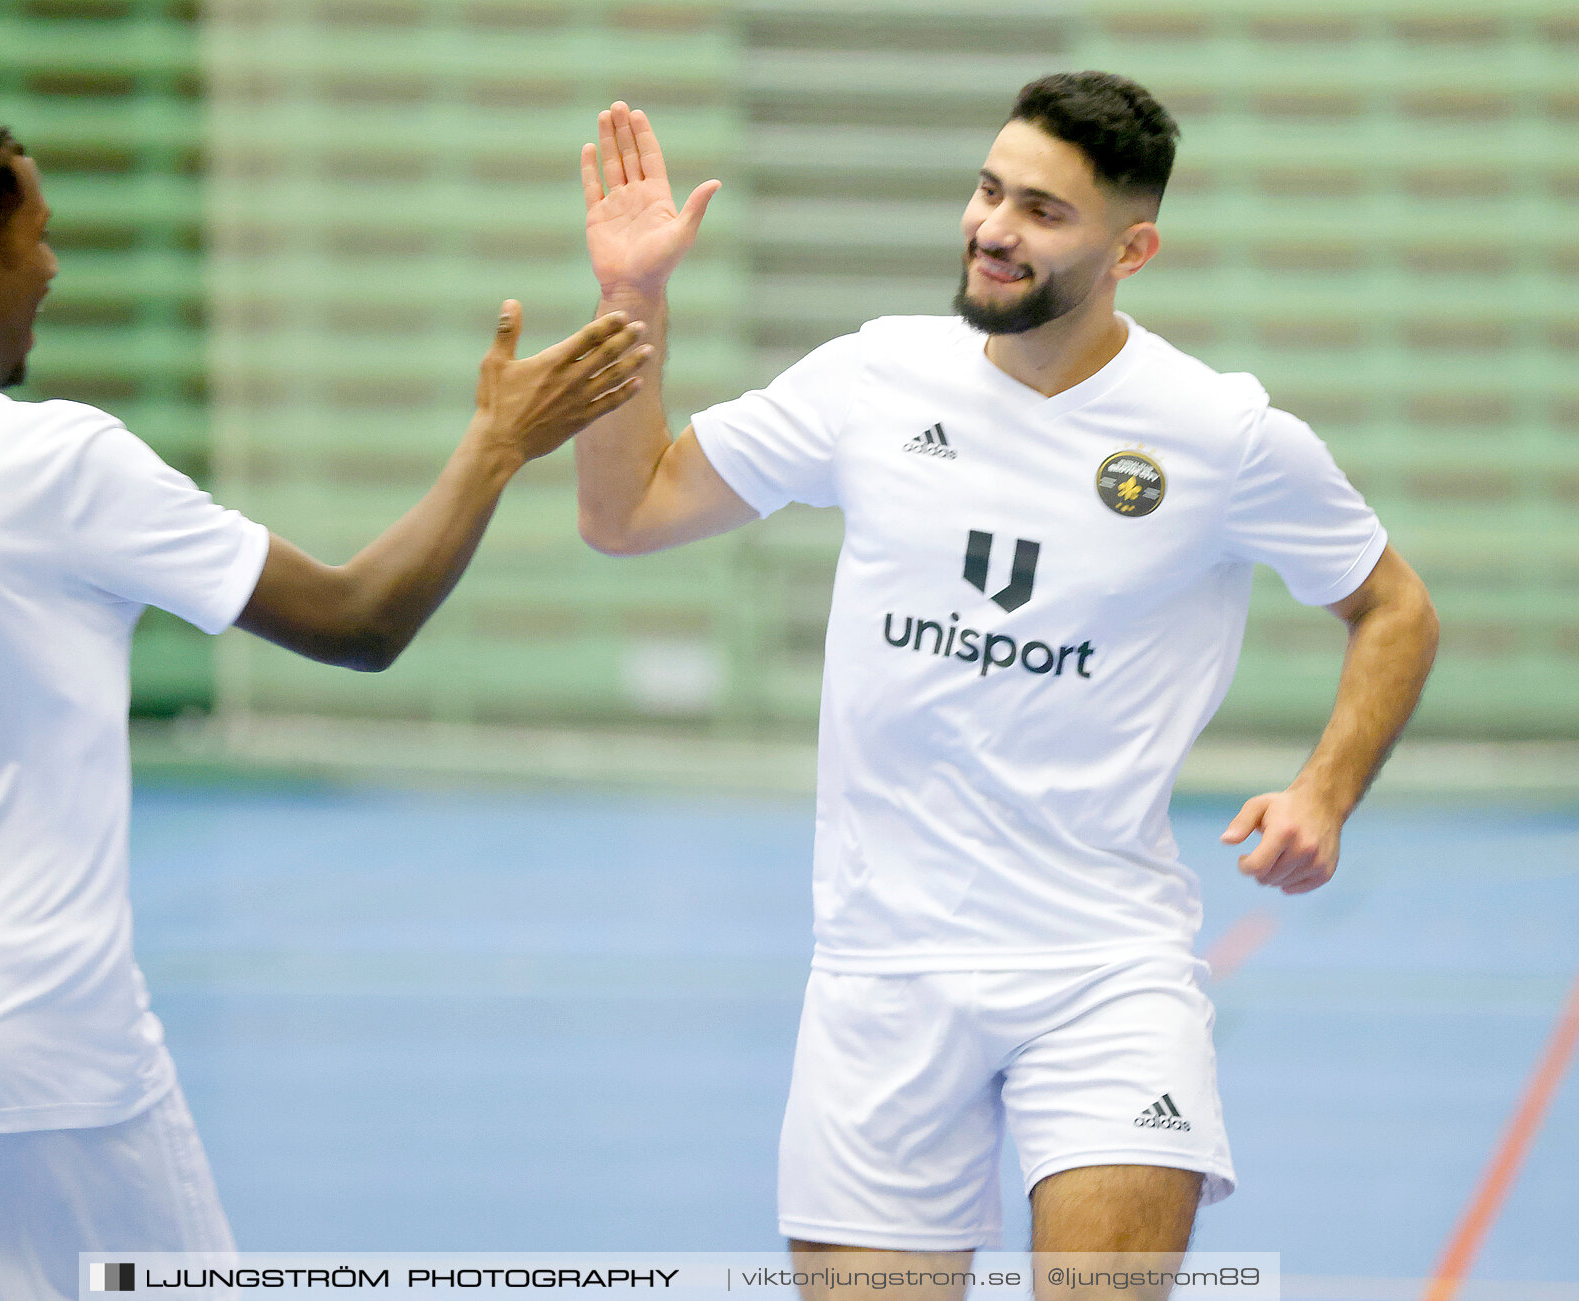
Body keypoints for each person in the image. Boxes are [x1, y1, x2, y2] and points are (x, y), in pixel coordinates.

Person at [573, 74, 1438, 1295]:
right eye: (988, 190)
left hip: (1104, 967)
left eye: (1043, 210)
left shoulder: (1222, 434)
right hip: (879, 974)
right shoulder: (874, 377)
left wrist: (1327, 789)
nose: (992, 226)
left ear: (1132, 248)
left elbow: (1394, 602)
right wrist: (634, 296)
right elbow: (626, 510)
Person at [0, 104, 649, 1299]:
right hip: (34, 1036)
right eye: (37, 234)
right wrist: (495, 446)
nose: (52, 265)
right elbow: (359, 620)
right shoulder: (58, 462)